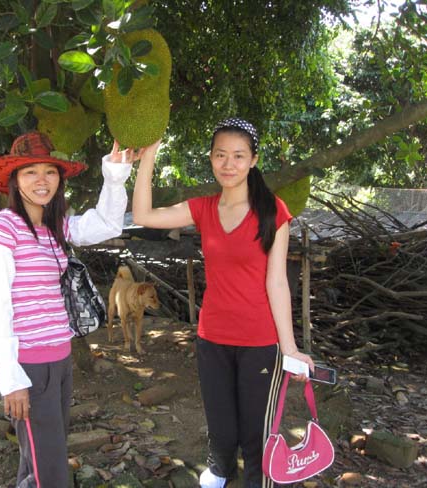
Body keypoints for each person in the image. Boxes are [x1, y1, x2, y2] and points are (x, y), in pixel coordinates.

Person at [131, 118, 314, 488]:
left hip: (260, 341)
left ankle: (257, 481)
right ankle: (220, 470)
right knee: (220, 420)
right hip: (212, 337)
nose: (228, 164)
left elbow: (277, 282)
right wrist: (148, 157)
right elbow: (143, 216)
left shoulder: (272, 211)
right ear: (211, 158)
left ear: (253, 160)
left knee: (256, 428)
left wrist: (290, 348)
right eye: (220, 155)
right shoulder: (203, 208)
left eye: (238, 156)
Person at [0, 131, 135, 488]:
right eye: (30, 172)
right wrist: (11, 376)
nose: (42, 180)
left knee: (42, 458)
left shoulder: (54, 226)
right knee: (50, 471)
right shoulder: (3, 228)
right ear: (15, 180)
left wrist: (114, 176)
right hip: (29, 364)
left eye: (50, 171)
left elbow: (106, 224)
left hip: (59, 358)